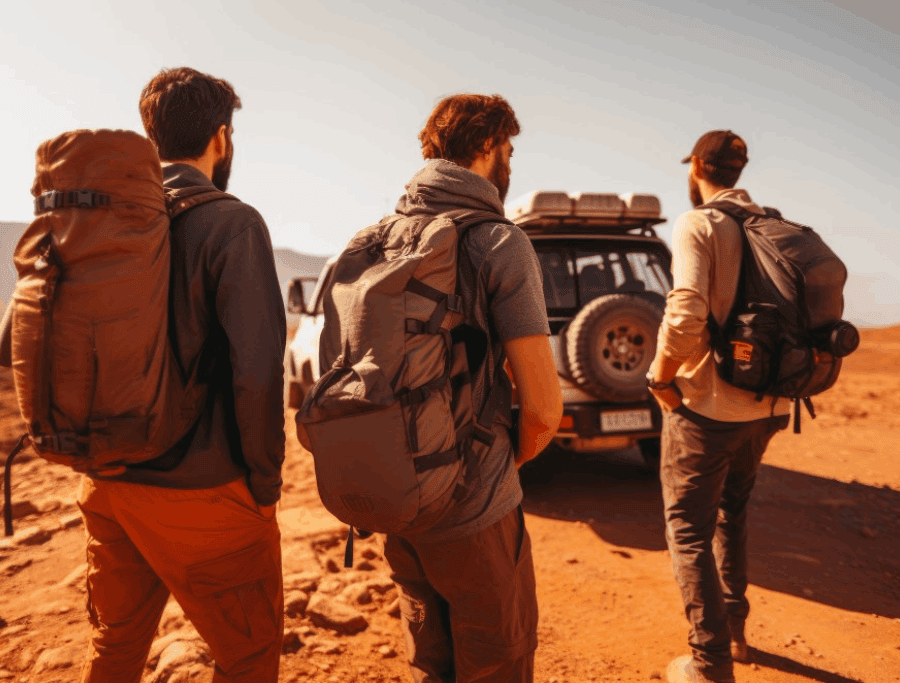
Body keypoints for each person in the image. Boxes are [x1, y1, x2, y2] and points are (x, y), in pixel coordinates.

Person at [77, 67, 287, 682]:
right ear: (221, 137)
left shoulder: (96, 220)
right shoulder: (232, 223)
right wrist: (265, 487)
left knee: (114, 650)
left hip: (107, 482)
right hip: (203, 494)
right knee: (247, 657)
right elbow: (258, 374)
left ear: (150, 137)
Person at [380, 94, 563, 683]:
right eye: (507, 150)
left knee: (429, 664)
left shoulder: (378, 238)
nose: (509, 164)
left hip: (396, 501)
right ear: (486, 148)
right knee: (497, 665)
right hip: (475, 508)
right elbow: (542, 409)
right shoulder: (499, 243)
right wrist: (502, 461)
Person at [647, 130, 791, 683]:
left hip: (708, 405)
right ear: (741, 169)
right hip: (769, 404)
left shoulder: (699, 223)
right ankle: (737, 635)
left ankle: (709, 665)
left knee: (687, 527)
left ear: (698, 168)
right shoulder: (771, 223)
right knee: (733, 510)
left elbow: (685, 309)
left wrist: (660, 377)